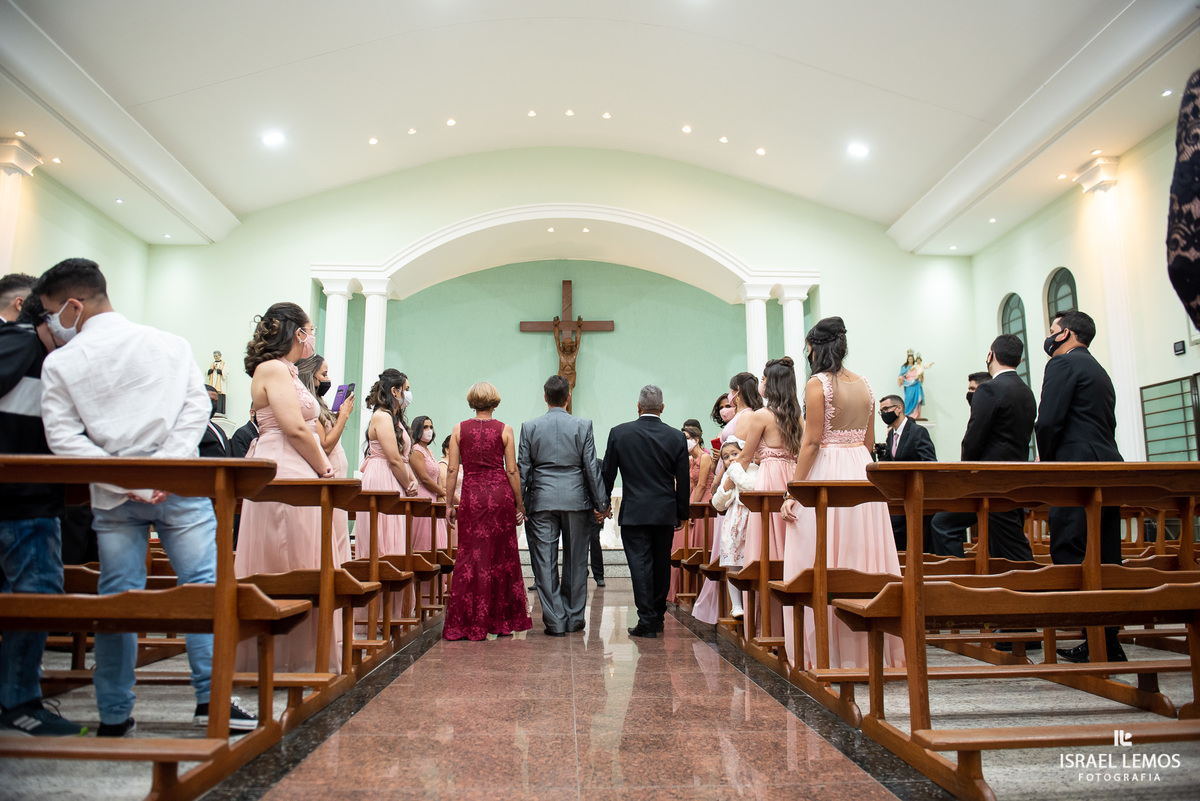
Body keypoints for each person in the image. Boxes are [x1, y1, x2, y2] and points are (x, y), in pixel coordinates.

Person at [37, 257, 254, 736]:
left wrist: (128, 480)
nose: (50, 324)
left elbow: (64, 438)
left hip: (113, 494)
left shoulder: (63, 362)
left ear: (74, 305)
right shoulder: (168, 343)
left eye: (52, 313)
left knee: (119, 599)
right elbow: (199, 405)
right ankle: (213, 699)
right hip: (180, 483)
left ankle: (114, 714)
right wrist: (167, 465)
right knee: (203, 591)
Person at [781, 317, 905, 670]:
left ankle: (825, 651)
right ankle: (871, 652)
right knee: (863, 554)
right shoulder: (865, 384)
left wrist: (794, 490)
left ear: (815, 348)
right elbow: (868, 442)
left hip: (828, 470)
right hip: (862, 472)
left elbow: (813, 441)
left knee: (821, 554)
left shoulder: (817, 384)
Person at [234, 302, 349, 676]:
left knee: (305, 557)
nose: (312, 336)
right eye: (310, 328)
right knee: (286, 557)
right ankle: (276, 658)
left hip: (298, 464)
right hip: (284, 467)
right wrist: (324, 469)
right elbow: (294, 427)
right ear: (296, 332)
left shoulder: (290, 372)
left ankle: (302, 656)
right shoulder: (271, 369)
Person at [0, 294, 86, 736]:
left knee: (30, 597)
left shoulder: (49, 357)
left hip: (32, 497)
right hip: (20, 498)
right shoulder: (18, 344)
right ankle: (18, 701)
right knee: (36, 595)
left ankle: (16, 697)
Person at [1035, 310, 1126, 663]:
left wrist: (1050, 468)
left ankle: (1096, 639)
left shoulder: (1062, 365)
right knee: (1105, 555)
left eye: (1053, 330)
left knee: (1072, 550)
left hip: (1076, 470)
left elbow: (1049, 421)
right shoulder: (1098, 369)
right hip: (1106, 466)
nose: (1050, 336)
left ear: (1066, 334)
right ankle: (1108, 639)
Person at [930, 336, 1036, 562]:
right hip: (1016, 478)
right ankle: (1006, 585)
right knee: (1004, 540)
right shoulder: (1026, 391)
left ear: (991, 355)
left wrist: (966, 475)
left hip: (990, 481)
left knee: (944, 523)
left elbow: (974, 438)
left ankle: (958, 575)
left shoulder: (989, 390)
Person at [518, 374, 607, 636]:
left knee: (544, 561)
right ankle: (574, 618)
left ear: (545, 397)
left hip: (542, 500)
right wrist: (601, 502)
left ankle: (555, 619)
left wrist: (520, 505)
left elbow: (523, 469)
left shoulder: (529, 427)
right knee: (577, 560)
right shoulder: (583, 425)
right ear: (568, 397)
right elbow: (591, 467)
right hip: (575, 499)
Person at [443, 381, 533, 640]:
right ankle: (501, 620)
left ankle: (469, 622)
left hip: (471, 497)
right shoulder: (505, 430)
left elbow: (451, 470)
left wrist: (449, 504)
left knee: (470, 557)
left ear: (472, 402)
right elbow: (512, 470)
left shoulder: (459, 429)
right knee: (501, 556)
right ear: (495, 402)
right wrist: (519, 504)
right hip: (499, 497)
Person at [602, 385, 690, 638]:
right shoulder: (676, 437)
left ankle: (647, 619)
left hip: (634, 512)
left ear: (638, 406)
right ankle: (658, 615)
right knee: (662, 563)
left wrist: (603, 504)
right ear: (662, 408)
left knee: (639, 566)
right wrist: (682, 512)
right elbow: (682, 479)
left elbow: (608, 474)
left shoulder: (620, 433)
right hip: (664, 512)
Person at [735, 359, 802, 642]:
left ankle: (767, 629)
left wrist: (730, 477)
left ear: (770, 384)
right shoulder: (799, 417)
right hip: (792, 482)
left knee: (766, 552)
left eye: (763, 379)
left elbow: (744, 457)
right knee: (790, 552)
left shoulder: (762, 416)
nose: (760, 384)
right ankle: (792, 629)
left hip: (769, 482)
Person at [692, 372, 763, 625]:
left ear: (738, 390)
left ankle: (740, 605)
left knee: (737, 551)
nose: (729, 397)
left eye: (730, 392)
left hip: (735, 482)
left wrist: (723, 475)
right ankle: (732, 604)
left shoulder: (748, 416)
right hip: (728, 482)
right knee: (730, 551)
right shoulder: (742, 415)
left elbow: (740, 455)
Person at [353, 370, 419, 621]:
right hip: (382, 477)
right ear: (395, 391)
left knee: (395, 542)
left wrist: (408, 481)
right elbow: (392, 457)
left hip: (394, 477)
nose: (409, 393)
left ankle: (391, 612)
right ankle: (377, 616)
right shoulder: (381, 417)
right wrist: (410, 483)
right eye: (407, 388)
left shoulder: (394, 417)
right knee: (382, 543)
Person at [297, 353, 354, 564]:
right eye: (324, 374)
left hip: (338, 476)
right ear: (311, 376)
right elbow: (326, 446)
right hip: (330, 475)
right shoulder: (311, 408)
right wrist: (344, 416)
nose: (327, 379)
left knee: (340, 533)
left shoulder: (319, 403)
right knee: (335, 532)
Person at [877, 393, 937, 552]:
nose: (883, 413)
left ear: (899, 408)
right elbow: (891, 460)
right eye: (881, 411)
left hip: (916, 492)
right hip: (898, 494)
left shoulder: (917, 431)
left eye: (886, 409)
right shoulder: (892, 434)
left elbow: (930, 462)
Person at [667, 420, 712, 604]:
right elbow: (690, 484)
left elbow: (701, 485)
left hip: (702, 500)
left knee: (698, 544)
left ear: (696, 439)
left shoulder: (705, 457)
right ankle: (679, 591)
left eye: (686, 438)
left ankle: (696, 590)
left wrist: (691, 510)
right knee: (678, 545)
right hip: (692, 498)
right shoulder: (690, 459)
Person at [710, 440, 753, 619]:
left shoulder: (753, 470)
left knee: (749, 561)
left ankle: (751, 602)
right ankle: (736, 605)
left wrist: (735, 474)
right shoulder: (728, 477)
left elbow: (751, 487)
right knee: (733, 563)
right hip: (734, 522)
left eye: (735, 454)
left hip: (750, 519)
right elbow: (717, 504)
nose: (730, 459)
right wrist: (726, 487)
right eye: (726, 457)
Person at [409, 414, 448, 601]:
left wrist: (441, 493)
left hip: (434, 497)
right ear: (417, 429)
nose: (429, 430)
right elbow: (424, 478)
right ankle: (423, 597)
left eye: (431, 426)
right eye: (425, 427)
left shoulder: (429, 452)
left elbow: (437, 475)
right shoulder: (416, 450)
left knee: (438, 545)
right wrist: (442, 492)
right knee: (425, 544)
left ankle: (435, 594)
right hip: (424, 499)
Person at [198, 384, 230, 457]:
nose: (214, 405)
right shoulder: (193, 426)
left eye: (216, 401)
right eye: (211, 400)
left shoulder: (219, 429)